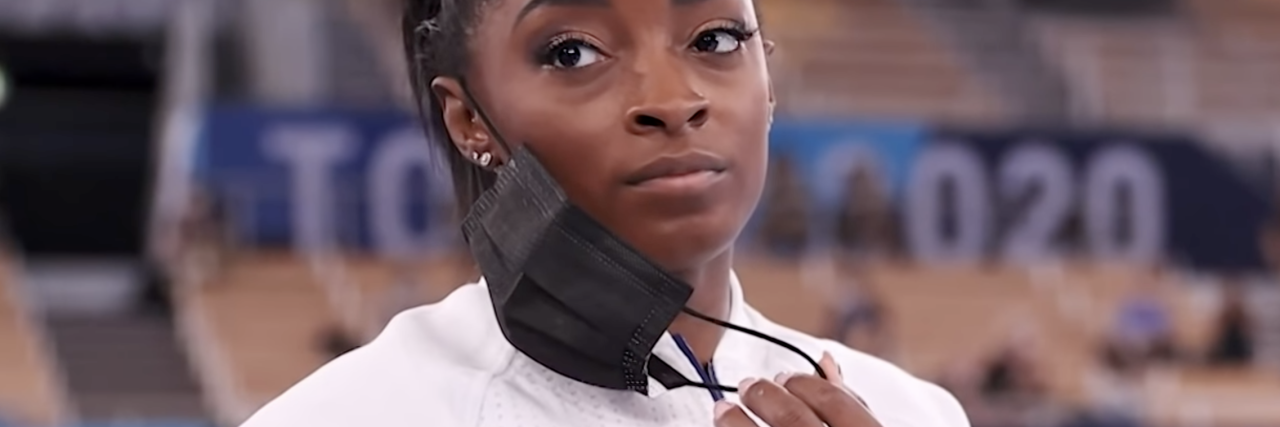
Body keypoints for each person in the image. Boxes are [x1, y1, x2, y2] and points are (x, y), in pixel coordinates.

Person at [240, 0, 968, 426]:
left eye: (715, 39)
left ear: (769, 79)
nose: (672, 98)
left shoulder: (913, 412)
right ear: (469, 119)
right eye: (571, 53)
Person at [1206, 280, 1255, 367]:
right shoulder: (1222, 317)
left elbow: (1249, 337)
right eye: (1230, 295)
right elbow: (1215, 340)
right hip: (1225, 355)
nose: (1232, 298)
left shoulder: (1243, 316)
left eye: (1235, 295)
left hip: (1241, 356)